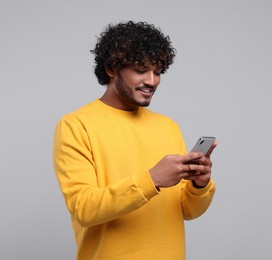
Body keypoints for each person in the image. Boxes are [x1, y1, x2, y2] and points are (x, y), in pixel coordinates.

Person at [52, 21, 217, 260]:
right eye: (141, 70)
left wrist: (200, 186)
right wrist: (152, 180)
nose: (152, 81)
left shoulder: (168, 126)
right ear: (111, 68)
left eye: (158, 71)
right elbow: (84, 209)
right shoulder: (76, 125)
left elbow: (187, 210)